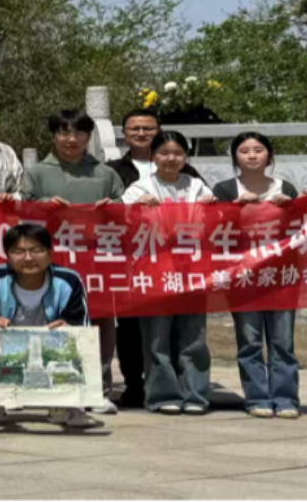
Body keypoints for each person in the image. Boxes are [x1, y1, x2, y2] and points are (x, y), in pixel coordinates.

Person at [22, 108, 123, 417]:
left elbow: (126, 209)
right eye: (64, 132)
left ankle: (99, 389)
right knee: (52, 318)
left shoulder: (105, 173)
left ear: (88, 137)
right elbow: (22, 209)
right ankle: (52, 388)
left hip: (97, 259)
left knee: (100, 321)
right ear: (53, 137)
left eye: (79, 133)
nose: (71, 139)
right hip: (52, 259)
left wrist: (114, 206)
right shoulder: (37, 172)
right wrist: (43, 204)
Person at [107, 109, 200, 408]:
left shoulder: (191, 178)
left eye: (148, 128)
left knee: (186, 332)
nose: (141, 133)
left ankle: (189, 391)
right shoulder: (113, 170)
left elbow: (210, 214)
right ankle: (138, 387)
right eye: (134, 128)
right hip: (138, 264)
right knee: (136, 331)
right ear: (124, 133)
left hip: (185, 267)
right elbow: (114, 215)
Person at [0, 224, 100, 430]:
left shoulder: (69, 280)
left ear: (49, 253)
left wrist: (68, 326)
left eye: (36, 250)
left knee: (75, 336)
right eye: (18, 251)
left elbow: (81, 324)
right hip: (7, 350)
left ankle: (68, 405)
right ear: (7, 256)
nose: (28, 258)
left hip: (51, 350)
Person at [121, 131, 216, 415]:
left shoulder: (197, 185)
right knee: (157, 338)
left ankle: (195, 395)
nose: (170, 159)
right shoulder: (138, 188)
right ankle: (163, 396)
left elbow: (213, 219)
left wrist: (210, 209)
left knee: (194, 337)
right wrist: (137, 210)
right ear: (153, 156)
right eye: (163, 153)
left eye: (177, 153)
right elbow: (123, 223)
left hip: (192, 271)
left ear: (186, 157)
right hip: (154, 272)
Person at [213, 131, 300, 419]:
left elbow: (302, 229)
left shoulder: (286, 188)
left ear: (269, 155)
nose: (252, 155)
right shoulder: (225, 189)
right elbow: (212, 229)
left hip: (280, 276)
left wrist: (290, 208)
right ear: (235, 157)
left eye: (258, 150)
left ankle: (285, 399)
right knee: (249, 341)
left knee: (283, 342)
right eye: (244, 150)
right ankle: (257, 398)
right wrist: (233, 209)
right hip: (243, 277)